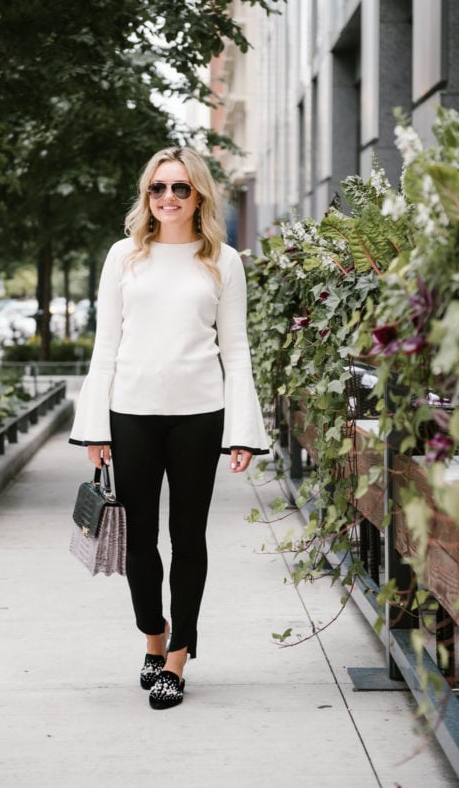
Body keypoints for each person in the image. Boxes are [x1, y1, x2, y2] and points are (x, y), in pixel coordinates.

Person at [69, 146, 269, 710]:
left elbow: (236, 349)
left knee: (188, 537)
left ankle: (177, 659)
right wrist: (95, 427)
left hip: (199, 417)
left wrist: (242, 431)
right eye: (158, 188)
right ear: (147, 195)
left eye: (181, 187)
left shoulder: (222, 260)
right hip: (129, 414)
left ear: (199, 194)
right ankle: (153, 638)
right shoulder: (123, 256)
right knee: (138, 541)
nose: (168, 197)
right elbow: (106, 345)